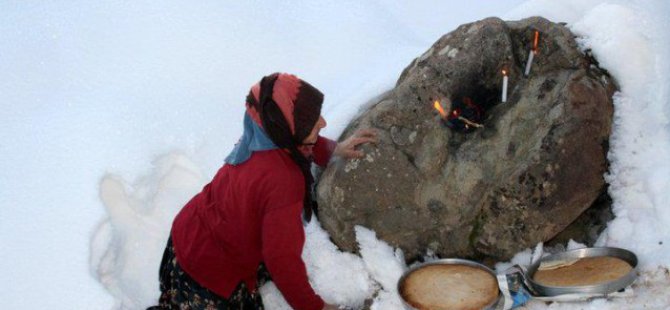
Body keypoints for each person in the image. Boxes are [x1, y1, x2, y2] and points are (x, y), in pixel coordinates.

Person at [150, 73, 377, 310]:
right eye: (312, 121)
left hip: (188, 234)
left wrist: (334, 149)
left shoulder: (260, 132)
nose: (323, 123)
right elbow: (282, 261)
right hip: (208, 273)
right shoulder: (283, 180)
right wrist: (314, 306)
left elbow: (293, 141)